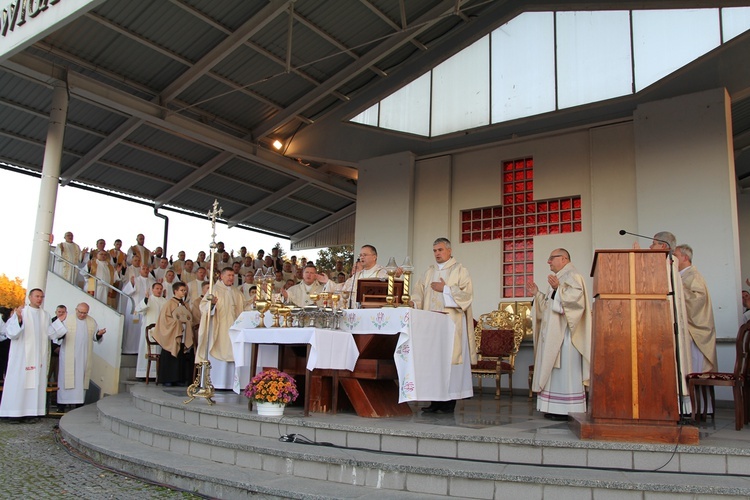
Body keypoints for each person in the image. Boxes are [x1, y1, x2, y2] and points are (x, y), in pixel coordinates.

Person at [410, 238, 476, 414]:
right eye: (434, 250)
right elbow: (419, 293)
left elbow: (467, 295)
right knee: (434, 362)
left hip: (451, 324)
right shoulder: (428, 272)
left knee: (449, 360)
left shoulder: (460, 270)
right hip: (431, 324)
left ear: (449, 250)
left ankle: (449, 402)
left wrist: (445, 289)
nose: (437, 253)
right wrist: (413, 303)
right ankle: (435, 400)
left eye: (440, 250)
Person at [526, 248, 592, 421]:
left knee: (565, 371)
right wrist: (538, 295)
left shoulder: (573, 276)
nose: (548, 262)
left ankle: (567, 409)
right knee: (554, 372)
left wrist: (558, 289)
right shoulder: (561, 278)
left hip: (566, 336)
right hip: (554, 335)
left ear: (563, 259)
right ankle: (554, 407)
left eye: (551, 258)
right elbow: (549, 306)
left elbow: (575, 304)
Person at [0, 289, 66, 422]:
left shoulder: (45, 315)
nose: (39, 299)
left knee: (34, 384)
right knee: (19, 382)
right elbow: (11, 333)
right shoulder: (22, 312)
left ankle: (31, 413)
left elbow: (51, 334)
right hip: (21, 357)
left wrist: (59, 322)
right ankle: (13, 413)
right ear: (30, 297)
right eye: (37, 296)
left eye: (42, 296)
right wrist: (18, 319)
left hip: (37, 358)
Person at [646, 231, 692, 413]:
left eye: (653, 244)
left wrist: (636, 258)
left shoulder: (666, 265)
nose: (650, 248)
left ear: (664, 247)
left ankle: (671, 406)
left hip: (665, 322)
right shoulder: (667, 264)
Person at [197, 268, 245, 390]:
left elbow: (243, 307)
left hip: (232, 328)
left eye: (233, 275)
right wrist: (211, 304)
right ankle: (214, 382)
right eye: (228, 275)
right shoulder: (214, 290)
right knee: (217, 350)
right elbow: (203, 307)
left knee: (232, 353)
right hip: (218, 328)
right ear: (221, 276)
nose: (231, 278)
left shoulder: (236, 291)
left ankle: (229, 384)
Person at [673, 245, 718, 374]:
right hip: (686, 329)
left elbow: (697, 299)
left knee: (694, 367)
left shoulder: (693, 275)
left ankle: (694, 394)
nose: (672, 259)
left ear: (685, 257)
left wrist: (678, 292)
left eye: (675, 256)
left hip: (695, 331)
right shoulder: (682, 275)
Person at [56, 303, 105, 412]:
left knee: (80, 380)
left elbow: (95, 337)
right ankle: (61, 406)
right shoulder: (67, 319)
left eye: (85, 313)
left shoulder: (91, 321)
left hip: (83, 357)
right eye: (80, 312)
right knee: (65, 380)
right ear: (76, 310)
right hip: (68, 356)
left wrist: (99, 334)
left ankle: (78, 405)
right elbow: (57, 334)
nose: (83, 315)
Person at [153, 282, 193, 386]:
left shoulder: (185, 304)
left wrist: (187, 321)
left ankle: (179, 378)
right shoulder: (169, 303)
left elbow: (189, 317)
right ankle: (167, 379)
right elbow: (164, 319)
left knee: (181, 356)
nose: (184, 292)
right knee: (170, 355)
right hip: (172, 334)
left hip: (182, 333)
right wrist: (177, 322)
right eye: (181, 290)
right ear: (175, 291)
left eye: (185, 290)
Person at [134, 283, 167, 379]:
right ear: (152, 289)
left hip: (160, 331)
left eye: (161, 289)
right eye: (157, 288)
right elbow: (138, 309)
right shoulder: (148, 299)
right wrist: (145, 299)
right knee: (146, 350)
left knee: (158, 351)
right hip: (148, 330)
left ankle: (156, 374)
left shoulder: (164, 301)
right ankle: (143, 373)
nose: (159, 290)